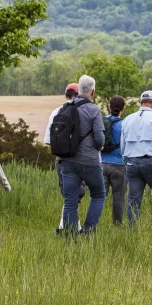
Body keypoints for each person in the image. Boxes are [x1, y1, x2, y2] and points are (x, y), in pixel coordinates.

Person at [57, 76, 106, 237]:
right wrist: (98, 147)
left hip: (67, 161)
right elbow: (99, 139)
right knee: (98, 194)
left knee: (70, 199)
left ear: (78, 89)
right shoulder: (93, 110)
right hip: (89, 161)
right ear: (93, 91)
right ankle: (88, 231)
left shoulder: (66, 107)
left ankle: (70, 235)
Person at [121, 90, 152, 226]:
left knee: (133, 198)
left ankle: (132, 230)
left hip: (131, 162)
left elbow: (122, 146)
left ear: (141, 102)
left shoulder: (127, 119)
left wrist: (126, 163)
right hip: (151, 162)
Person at [44, 83, 83, 233]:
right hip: (78, 158)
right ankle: (74, 228)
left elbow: (48, 140)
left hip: (60, 159)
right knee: (74, 196)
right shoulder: (79, 111)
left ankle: (63, 226)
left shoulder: (56, 112)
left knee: (68, 195)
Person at [100, 96, 127, 226]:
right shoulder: (124, 124)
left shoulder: (102, 121)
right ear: (122, 109)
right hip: (119, 165)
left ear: (110, 107)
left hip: (102, 163)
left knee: (99, 197)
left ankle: (95, 223)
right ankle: (117, 225)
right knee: (118, 198)